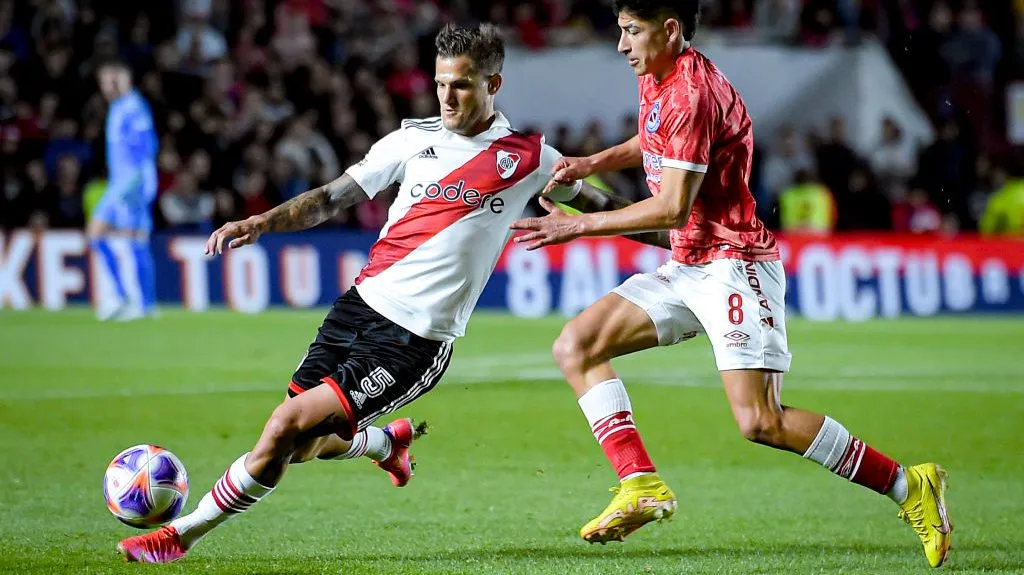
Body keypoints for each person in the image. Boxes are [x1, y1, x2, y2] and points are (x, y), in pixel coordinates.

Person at [115, 22, 667, 564]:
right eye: (442, 83)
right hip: (357, 307)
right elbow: (331, 199)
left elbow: (602, 209)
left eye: (463, 84)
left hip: (414, 341)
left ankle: (179, 537)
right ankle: (384, 444)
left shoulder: (528, 158)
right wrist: (262, 221)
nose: (449, 96)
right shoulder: (410, 140)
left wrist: (684, 238)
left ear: (493, 85)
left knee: (283, 428)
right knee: (297, 445)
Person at [510, 1, 952, 568]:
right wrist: (594, 161)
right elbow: (655, 138)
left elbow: (670, 207)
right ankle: (641, 484)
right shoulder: (659, 73)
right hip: (690, 261)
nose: (621, 45)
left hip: (733, 264)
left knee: (760, 421)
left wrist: (580, 224)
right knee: (577, 345)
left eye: (631, 31)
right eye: (620, 30)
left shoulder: (694, 93)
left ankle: (909, 484)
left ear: (670, 30)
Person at [88, 60, 159, 321]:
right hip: (117, 185)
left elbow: (146, 150)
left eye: (110, 80)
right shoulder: (117, 107)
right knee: (96, 234)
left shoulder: (134, 107)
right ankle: (122, 296)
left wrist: (143, 185)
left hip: (132, 186)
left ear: (122, 78)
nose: (106, 86)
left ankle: (146, 305)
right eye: (103, 81)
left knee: (135, 240)